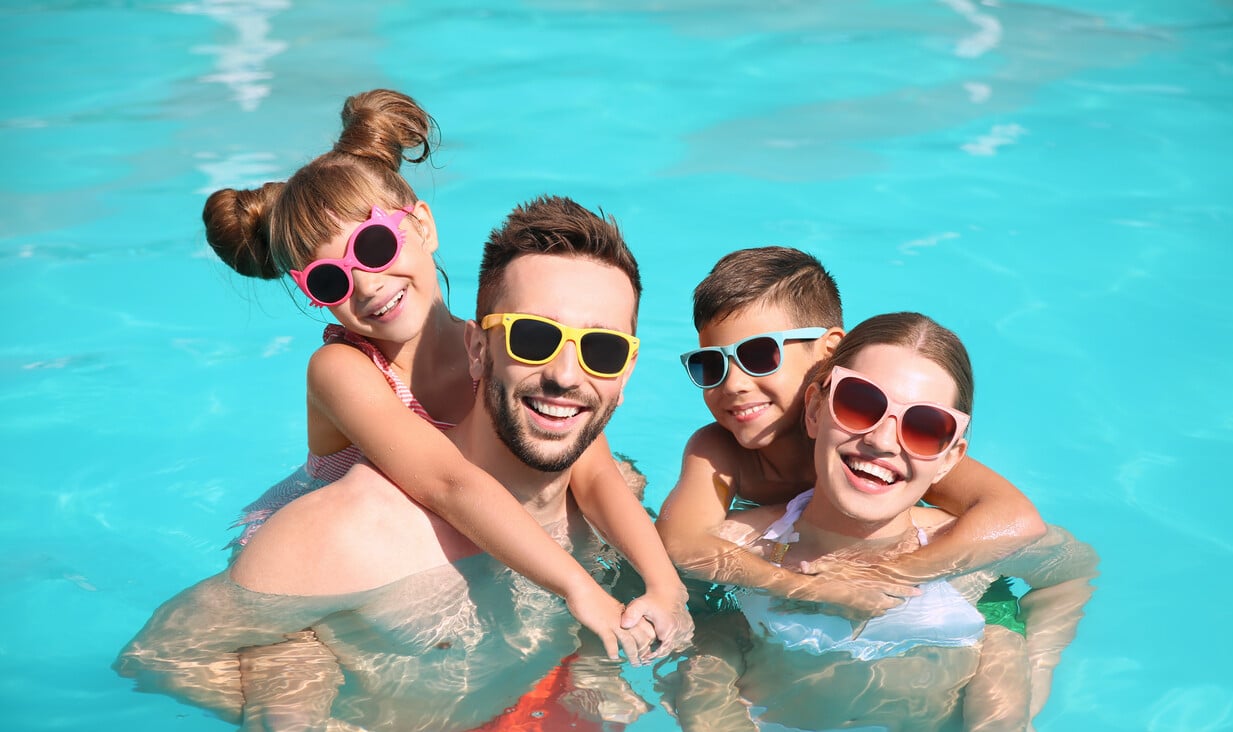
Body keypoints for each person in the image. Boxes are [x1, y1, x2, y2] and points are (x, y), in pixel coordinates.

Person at [116, 195, 689, 730]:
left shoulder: (614, 504)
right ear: (476, 346)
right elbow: (159, 656)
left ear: (627, 372)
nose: (567, 376)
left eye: (603, 348)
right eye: (532, 339)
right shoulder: (349, 536)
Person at [204, 89, 686, 652]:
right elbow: (446, 483)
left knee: (623, 475)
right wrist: (577, 588)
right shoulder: (341, 368)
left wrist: (665, 583)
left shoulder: (495, 342)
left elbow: (594, 471)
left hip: (459, 502)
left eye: (375, 245)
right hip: (328, 544)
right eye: (329, 280)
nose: (366, 285)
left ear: (424, 227)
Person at [662, 312, 1099, 730]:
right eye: (859, 402)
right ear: (815, 410)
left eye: (925, 427)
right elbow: (684, 618)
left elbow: (1071, 572)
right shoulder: (741, 546)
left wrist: (1029, 671)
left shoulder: (966, 547)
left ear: (950, 458)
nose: (882, 441)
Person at [656, 247, 1047, 618]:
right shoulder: (718, 450)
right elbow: (682, 543)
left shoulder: (893, 443)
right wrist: (804, 587)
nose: (733, 384)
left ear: (829, 351)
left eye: (759, 356)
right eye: (711, 365)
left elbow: (1016, 519)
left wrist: (887, 575)